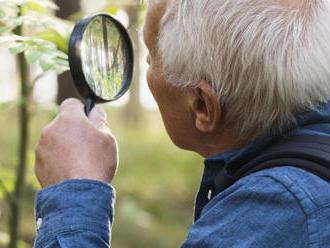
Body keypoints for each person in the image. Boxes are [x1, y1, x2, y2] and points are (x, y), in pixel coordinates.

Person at [34, 0, 330, 247]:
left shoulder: (269, 213)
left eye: (151, 57)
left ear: (202, 105)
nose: (146, 66)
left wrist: (72, 192)